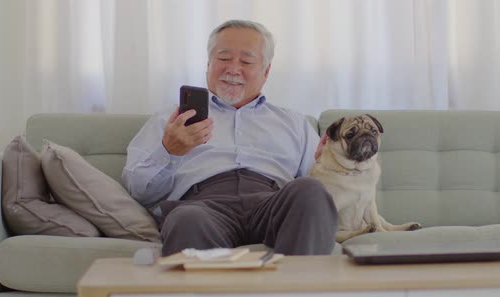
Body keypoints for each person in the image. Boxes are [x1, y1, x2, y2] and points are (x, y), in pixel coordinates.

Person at [123, 19, 338, 256]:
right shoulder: (171, 119)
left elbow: (323, 197)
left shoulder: (294, 123)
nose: (233, 69)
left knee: (310, 190)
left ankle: (293, 292)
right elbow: (139, 191)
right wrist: (169, 151)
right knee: (186, 218)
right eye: (223, 58)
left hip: (272, 204)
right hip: (203, 206)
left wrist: (327, 168)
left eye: (246, 61)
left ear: (266, 71)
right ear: (208, 63)